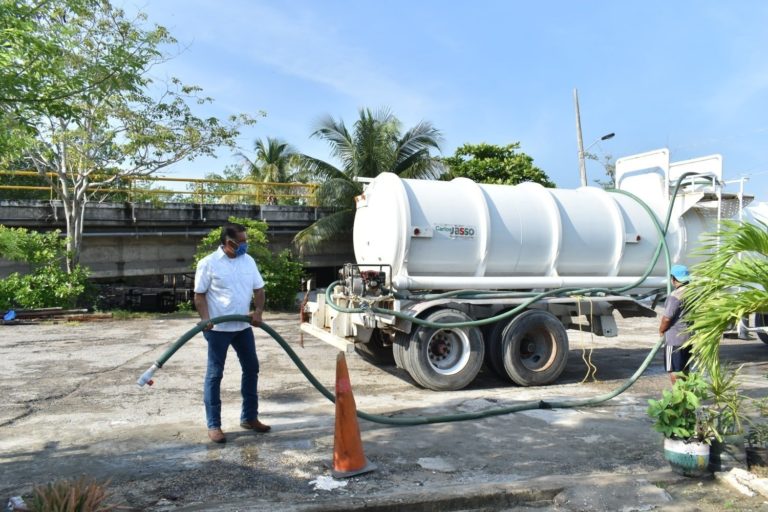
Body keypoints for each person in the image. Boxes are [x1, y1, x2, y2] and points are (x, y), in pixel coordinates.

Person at [193, 222, 271, 443]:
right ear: (229, 243)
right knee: (215, 374)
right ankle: (214, 425)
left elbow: (259, 289)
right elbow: (199, 295)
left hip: (243, 327)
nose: (246, 245)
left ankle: (249, 417)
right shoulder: (208, 264)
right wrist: (205, 319)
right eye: (242, 241)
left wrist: (258, 311)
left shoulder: (249, 261)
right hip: (218, 329)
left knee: (251, 368)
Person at [658, 264, 692, 384]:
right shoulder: (692, 294)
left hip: (675, 340)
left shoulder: (675, 296)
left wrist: (661, 330)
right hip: (688, 338)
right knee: (685, 369)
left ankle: (678, 396)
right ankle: (685, 396)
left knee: (674, 370)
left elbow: (667, 318)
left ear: (673, 278)